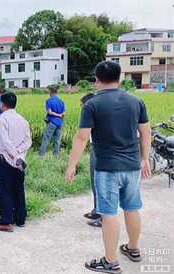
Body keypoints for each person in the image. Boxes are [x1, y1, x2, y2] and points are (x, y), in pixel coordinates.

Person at [65, 61, 151, 274]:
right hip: (131, 166)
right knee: (132, 208)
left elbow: (82, 137)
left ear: (96, 79)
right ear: (120, 78)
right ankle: (133, 248)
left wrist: (72, 165)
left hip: (106, 168)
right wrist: (145, 159)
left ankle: (110, 261)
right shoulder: (136, 101)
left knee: (109, 213)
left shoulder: (93, 104)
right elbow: (146, 132)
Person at [0, 92, 32, 232]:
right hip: (19, 162)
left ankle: (6, 222)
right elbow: (28, 141)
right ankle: (20, 219)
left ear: (2, 104)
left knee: (4, 190)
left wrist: (15, 157)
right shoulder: (23, 120)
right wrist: (19, 156)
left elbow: (5, 142)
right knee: (18, 190)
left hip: (5, 161)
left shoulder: (1, 120)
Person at [79, 93, 102, 228]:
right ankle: (96, 211)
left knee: (99, 182)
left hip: (101, 151)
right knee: (94, 181)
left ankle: (102, 216)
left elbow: (82, 136)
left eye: (82, 106)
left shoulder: (96, 113)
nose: (82, 109)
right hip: (95, 148)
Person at [39, 87, 65, 157]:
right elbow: (64, 114)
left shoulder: (48, 101)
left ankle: (41, 156)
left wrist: (58, 115)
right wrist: (61, 121)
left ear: (50, 92)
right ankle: (55, 156)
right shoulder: (61, 101)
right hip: (59, 123)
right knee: (57, 141)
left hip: (52, 122)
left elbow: (50, 112)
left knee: (46, 140)